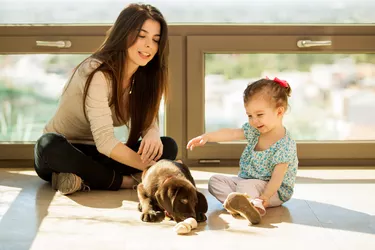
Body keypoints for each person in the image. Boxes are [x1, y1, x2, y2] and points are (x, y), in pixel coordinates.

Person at [34, 3, 178, 195]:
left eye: (155, 39)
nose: (148, 45)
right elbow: (106, 142)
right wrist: (154, 168)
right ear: (123, 34)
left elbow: (144, 120)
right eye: (141, 36)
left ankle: (78, 178)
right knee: (48, 145)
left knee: (167, 146)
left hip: (100, 155)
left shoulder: (145, 78)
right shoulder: (96, 72)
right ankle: (124, 181)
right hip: (66, 151)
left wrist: (152, 131)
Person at [186, 77, 298, 224]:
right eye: (249, 115)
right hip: (246, 182)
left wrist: (264, 197)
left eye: (259, 115)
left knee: (247, 185)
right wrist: (207, 137)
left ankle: (250, 204)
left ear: (279, 112)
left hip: (273, 191)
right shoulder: (254, 130)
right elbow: (231, 133)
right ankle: (240, 205)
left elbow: (277, 178)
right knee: (215, 181)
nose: (254, 121)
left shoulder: (285, 145)